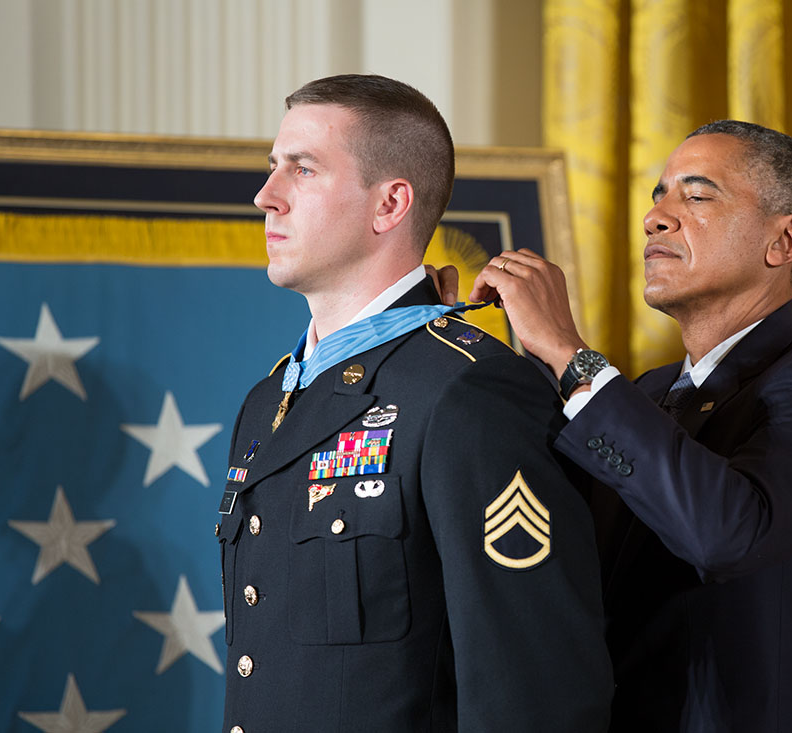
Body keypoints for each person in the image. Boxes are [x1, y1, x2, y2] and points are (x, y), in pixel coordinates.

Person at [461, 120, 792, 731]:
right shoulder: (649, 394)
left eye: (696, 195)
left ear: (786, 240)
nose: (655, 218)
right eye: (658, 195)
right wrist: (442, 343)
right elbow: (545, 536)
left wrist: (569, 353)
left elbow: (726, 534)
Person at [215, 73, 612, 732]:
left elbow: (536, 690)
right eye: (272, 168)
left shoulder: (469, 390)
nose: (266, 196)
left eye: (302, 169)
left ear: (390, 203)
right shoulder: (270, 399)